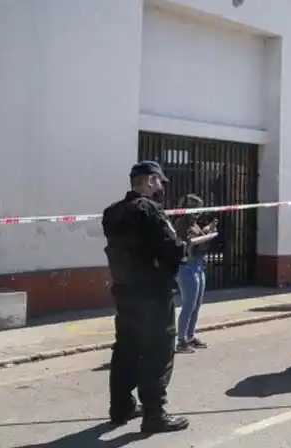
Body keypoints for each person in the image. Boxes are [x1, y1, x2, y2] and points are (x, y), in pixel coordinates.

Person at [101, 160, 190, 434]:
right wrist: (183, 246)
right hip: (153, 292)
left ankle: (121, 407)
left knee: (126, 349)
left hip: (124, 290)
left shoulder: (112, 212)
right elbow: (171, 249)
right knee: (157, 351)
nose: (162, 187)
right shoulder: (150, 211)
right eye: (160, 182)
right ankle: (154, 414)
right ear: (150, 180)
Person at [173, 194, 217, 354]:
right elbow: (189, 243)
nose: (198, 214)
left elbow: (198, 237)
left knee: (196, 305)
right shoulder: (180, 224)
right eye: (195, 210)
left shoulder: (194, 224)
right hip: (187, 267)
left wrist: (207, 231)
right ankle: (181, 340)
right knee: (188, 305)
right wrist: (206, 237)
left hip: (198, 265)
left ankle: (190, 336)